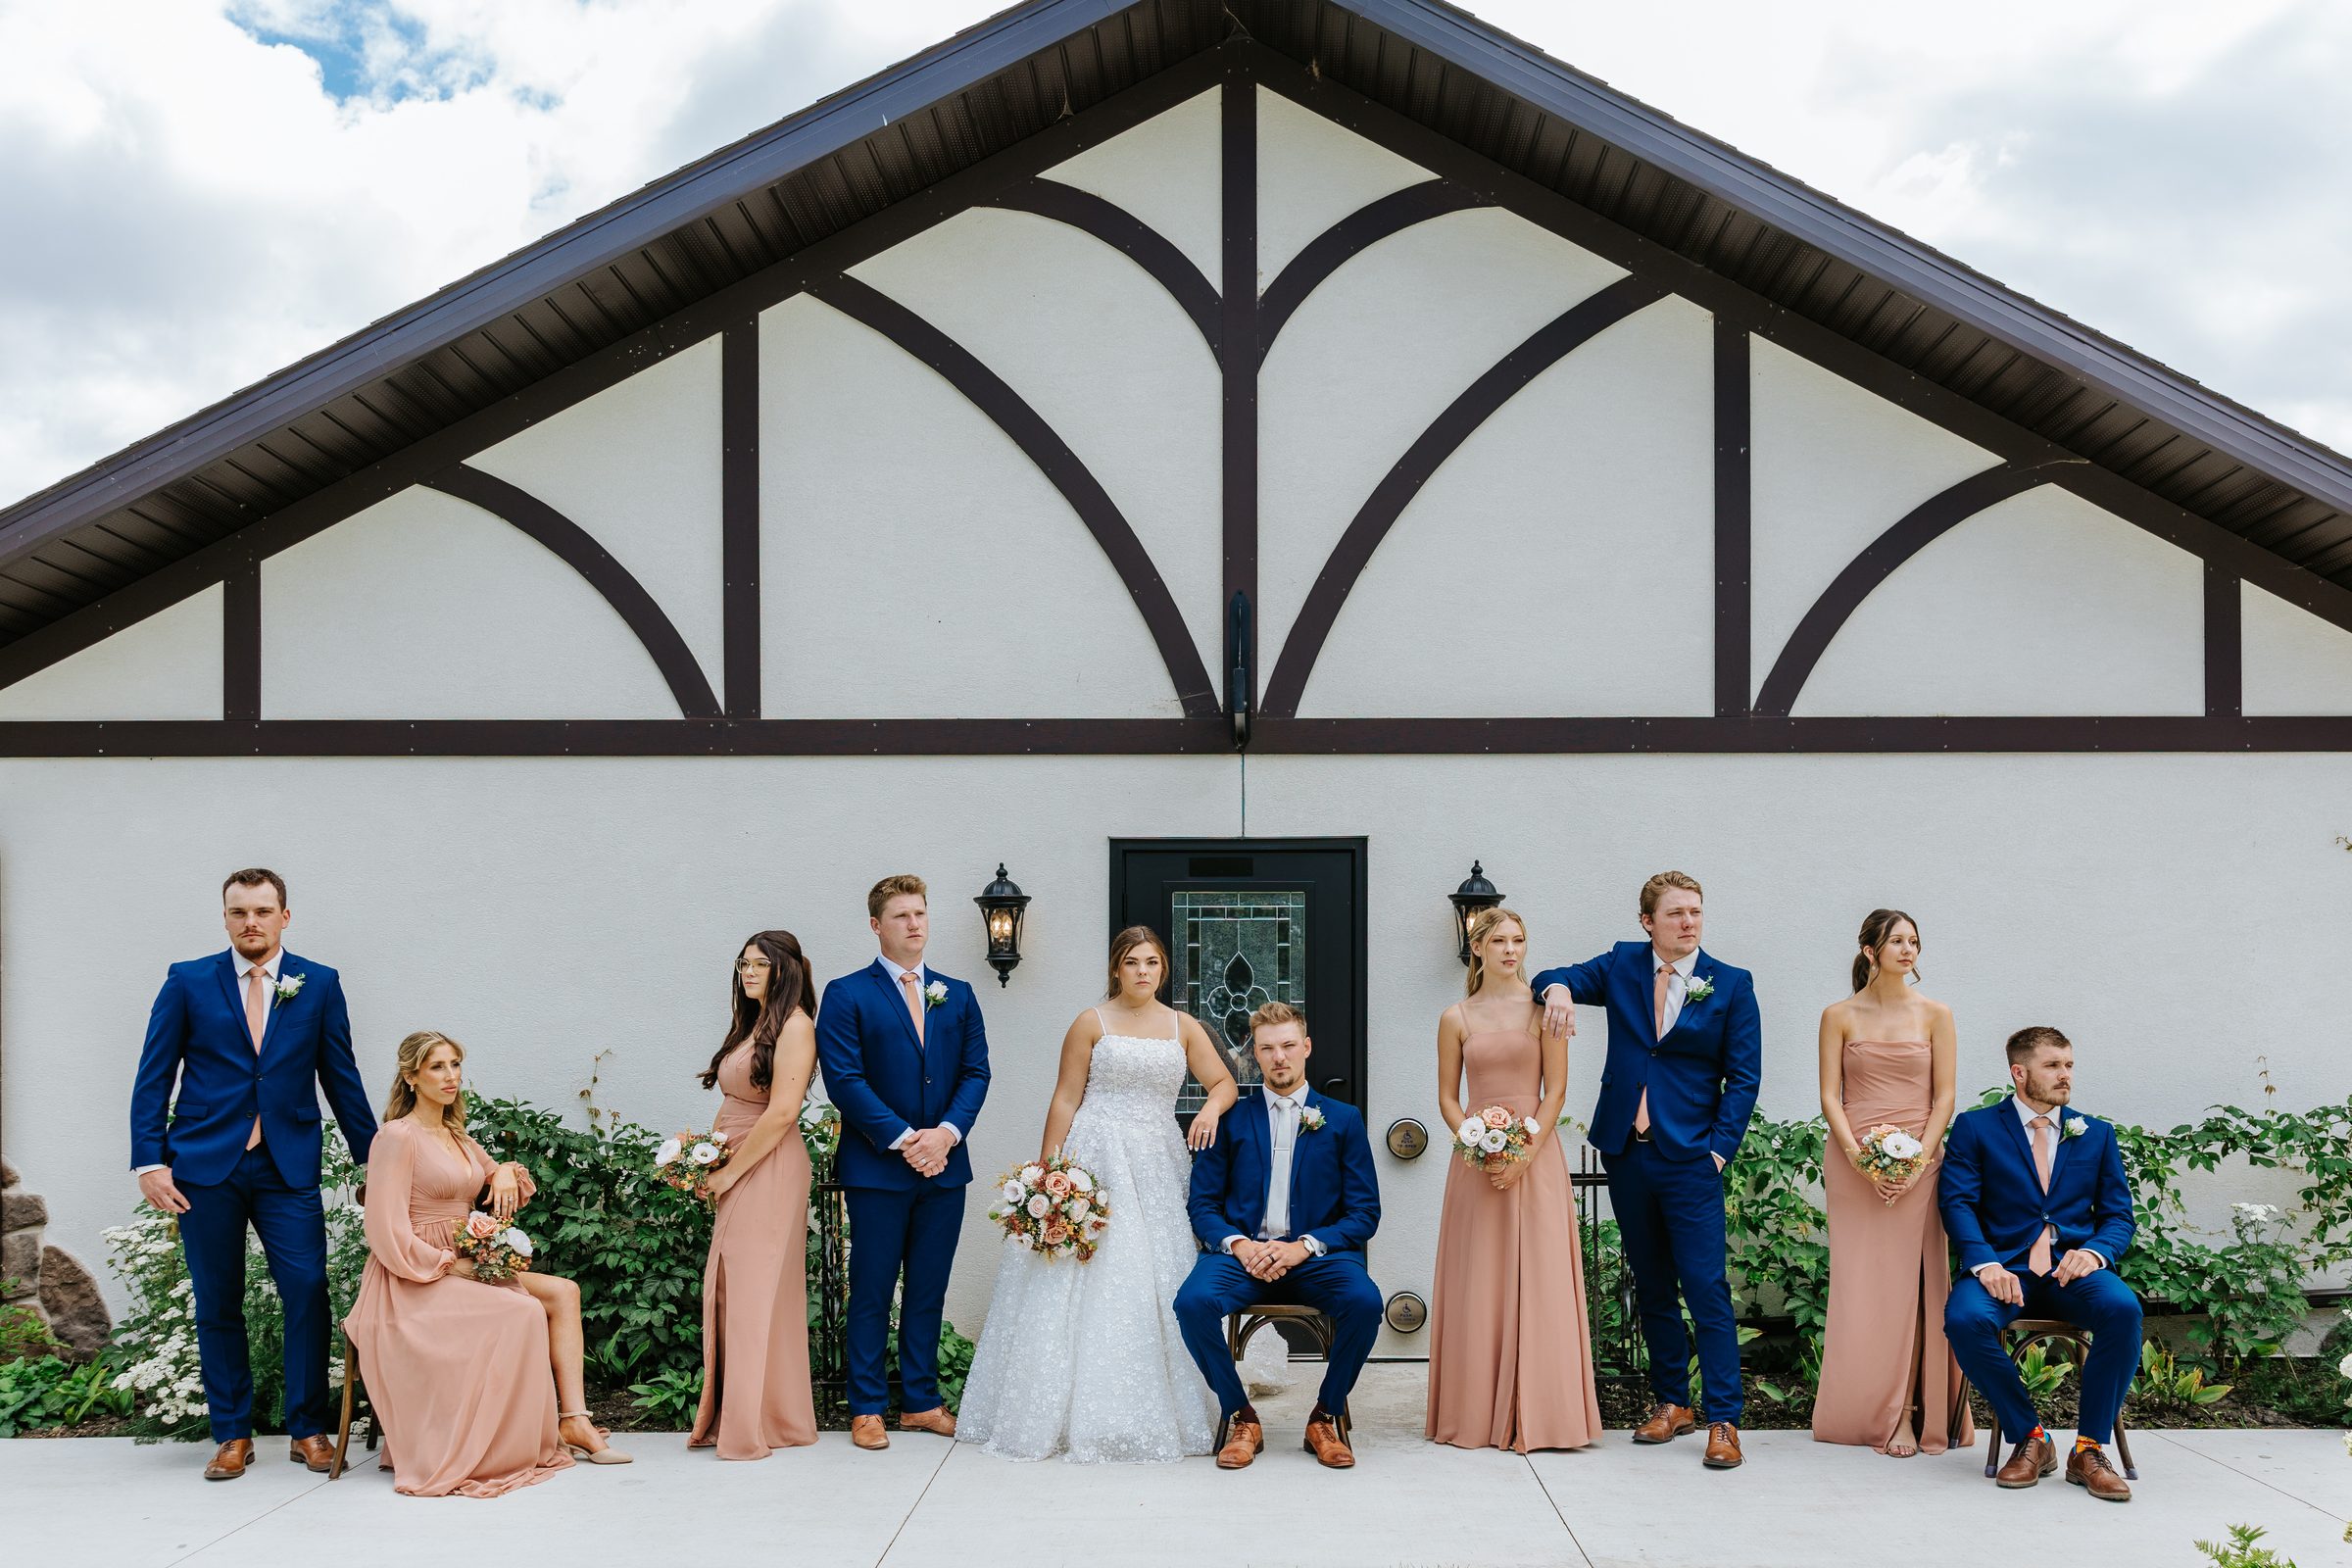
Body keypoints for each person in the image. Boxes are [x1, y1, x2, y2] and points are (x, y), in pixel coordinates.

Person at [127, 868, 377, 1480]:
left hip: (286, 1164)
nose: (251, 923)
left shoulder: (317, 984)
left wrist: (375, 1158)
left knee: (307, 1290)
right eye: (239, 912)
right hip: (204, 1166)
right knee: (218, 1301)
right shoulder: (188, 981)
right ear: (225, 918)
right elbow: (153, 1074)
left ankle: (308, 1428)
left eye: (263, 911)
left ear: (284, 917)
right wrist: (150, 1160)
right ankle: (232, 1433)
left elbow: (340, 1076)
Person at [958, 926, 1238, 1462]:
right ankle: (1063, 1410)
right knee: (1080, 1271)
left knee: (1159, 1270)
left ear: (1163, 969)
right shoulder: (1091, 1022)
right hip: (1096, 1154)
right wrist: (1048, 1170)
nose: (1142, 971)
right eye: (1132, 962)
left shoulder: (1184, 1027)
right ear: (1116, 968)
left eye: (1152, 962)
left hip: (1158, 1157)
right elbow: (1066, 1097)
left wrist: (1207, 1108)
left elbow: (1223, 1083)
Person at [1534, 870, 1761, 1469]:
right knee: (1653, 1284)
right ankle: (1671, 1403)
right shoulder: (1621, 965)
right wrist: (1557, 989)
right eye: (1677, 913)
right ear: (1648, 922)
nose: (1689, 922)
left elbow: (1743, 1077)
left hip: (1691, 1157)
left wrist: (1718, 1150)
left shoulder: (1732, 984)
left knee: (1706, 1288)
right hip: (1627, 1153)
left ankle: (1724, 1419)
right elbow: (1548, 976)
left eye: (1696, 912)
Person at [344, 1030, 627, 1497]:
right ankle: (501, 1444)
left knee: (563, 1292)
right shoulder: (397, 1137)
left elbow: (499, 1172)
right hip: (412, 1277)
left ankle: (575, 1421)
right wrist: (447, 1265)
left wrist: (500, 1170)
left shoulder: (455, 1134)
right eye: (437, 1067)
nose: (450, 1076)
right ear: (412, 1077)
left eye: (455, 1064)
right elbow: (385, 1229)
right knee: (521, 1310)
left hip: (465, 1260)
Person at [813, 874, 991, 1450]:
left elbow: (975, 1073)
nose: (914, 924)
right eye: (901, 916)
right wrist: (904, 1139)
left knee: (927, 1289)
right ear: (876, 926)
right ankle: (866, 1406)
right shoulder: (847, 993)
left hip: (945, 1168)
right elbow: (844, 1079)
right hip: (877, 1169)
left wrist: (943, 1135)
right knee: (872, 1287)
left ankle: (921, 1402)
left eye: (920, 914)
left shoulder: (957, 993)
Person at [1175, 1002, 1382, 1471]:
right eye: (1267, 1048)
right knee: (1191, 1303)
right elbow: (1202, 1206)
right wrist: (1241, 1245)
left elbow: (1365, 1213)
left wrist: (1302, 1247)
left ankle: (1325, 1415)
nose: (1279, 1057)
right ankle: (1241, 1416)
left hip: (1316, 1259)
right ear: (1254, 1055)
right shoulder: (1229, 1119)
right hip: (1242, 1258)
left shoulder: (1343, 1119)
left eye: (1288, 1045)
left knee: (1366, 1303)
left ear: (1306, 1048)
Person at [1940, 1026, 2140, 1502]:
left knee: (2124, 1310)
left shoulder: (2096, 1133)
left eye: (2068, 1065)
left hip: (2072, 1275)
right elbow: (1957, 1203)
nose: (2065, 1075)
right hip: (2004, 1271)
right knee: (1964, 1319)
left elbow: (2118, 1216)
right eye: (2053, 1066)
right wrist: (1985, 1263)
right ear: (2019, 1072)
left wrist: (2093, 1252)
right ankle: (2031, 1437)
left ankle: (2089, 1449)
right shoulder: (1977, 1127)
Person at [1426, 907, 1600, 1453]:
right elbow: (1448, 1099)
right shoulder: (1455, 1017)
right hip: (1475, 1164)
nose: (1510, 949)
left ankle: (1545, 1414)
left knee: (1542, 1275)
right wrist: (1477, 1145)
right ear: (1477, 948)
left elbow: (1556, 1092)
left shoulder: (1545, 1008)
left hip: (1537, 1156)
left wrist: (1523, 1153)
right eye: (1498, 940)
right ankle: (1474, 1412)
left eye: (1518, 940)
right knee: (1479, 1276)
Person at [1811, 908, 1970, 1456]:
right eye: (1897, 941)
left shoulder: (1936, 1015)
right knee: (1863, 1288)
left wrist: (1918, 1161)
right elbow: (1830, 1096)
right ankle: (1867, 1409)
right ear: (1869, 952)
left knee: (1915, 1287)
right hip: (1854, 1163)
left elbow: (1944, 1097)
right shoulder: (1838, 1015)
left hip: (1920, 1165)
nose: (1908, 951)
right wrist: (1858, 1158)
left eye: (1914, 942)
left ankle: (1910, 1413)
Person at [688, 930, 819, 1459]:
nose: (747, 972)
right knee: (732, 1287)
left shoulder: (795, 1026)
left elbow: (783, 1112)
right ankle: (759, 1416)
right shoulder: (753, 1026)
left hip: (767, 1165)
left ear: (784, 969)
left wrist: (727, 1173)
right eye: (743, 963)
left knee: (751, 1288)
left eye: (759, 964)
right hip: (741, 1157)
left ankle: (753, 1425)